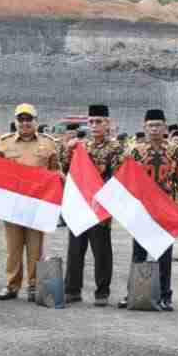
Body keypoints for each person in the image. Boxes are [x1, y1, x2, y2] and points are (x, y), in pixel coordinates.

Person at [0, 103, 61, 302]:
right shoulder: (4, 143)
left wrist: (58, 178)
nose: (25, 123)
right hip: (12, 205)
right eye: (21, 119)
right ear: (16, 121)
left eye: (28, 119)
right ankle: (12, 285)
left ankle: (33, 285)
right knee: (13, 249)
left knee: (35, 249)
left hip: (36, 205)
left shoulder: (48, 143)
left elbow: (55, 170)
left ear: (35, 121)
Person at [119, 108, 178, 311]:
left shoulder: (174, 151)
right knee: (138, 253)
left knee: (164, 253)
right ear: (144, 127)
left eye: (158, 125)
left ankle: (165, 295)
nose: (154, 129)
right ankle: (134, 293)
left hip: (164, 208)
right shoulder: (134, 150)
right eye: (150, 125)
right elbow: (126, 179)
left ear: (164, 127)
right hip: (142, 208)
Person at [62, 105, 124, 306]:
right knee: (75, 249)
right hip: (80, 203)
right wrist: (68, 149)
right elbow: (66, 168)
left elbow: (118, 177)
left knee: (102, 251)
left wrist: (101, 194)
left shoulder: (115, 148)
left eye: (99, 122)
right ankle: (72, 290)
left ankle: (102, 292)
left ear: (108, 124)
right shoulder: (82, 146)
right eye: (91, 122)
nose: (95, 125)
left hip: (101, 206)